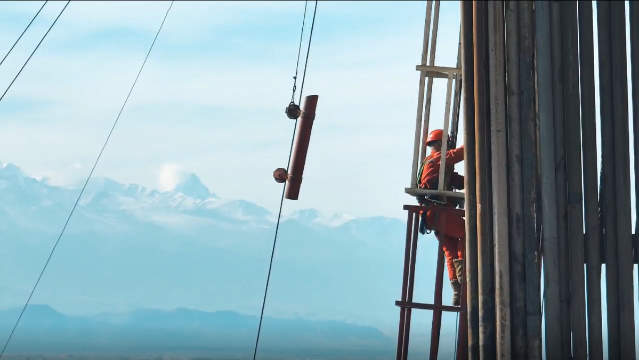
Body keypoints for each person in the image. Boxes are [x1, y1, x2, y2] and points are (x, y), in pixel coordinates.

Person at [416, 129, 466, 306]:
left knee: (450, 250)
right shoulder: (437, 159)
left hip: (432, 216)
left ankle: (457, 292)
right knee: (467, 234)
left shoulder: (434, 165)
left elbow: (457, 180)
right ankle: (463, 278)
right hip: (439, 212)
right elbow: (460, 153)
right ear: (440, 144)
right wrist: (477, 138)